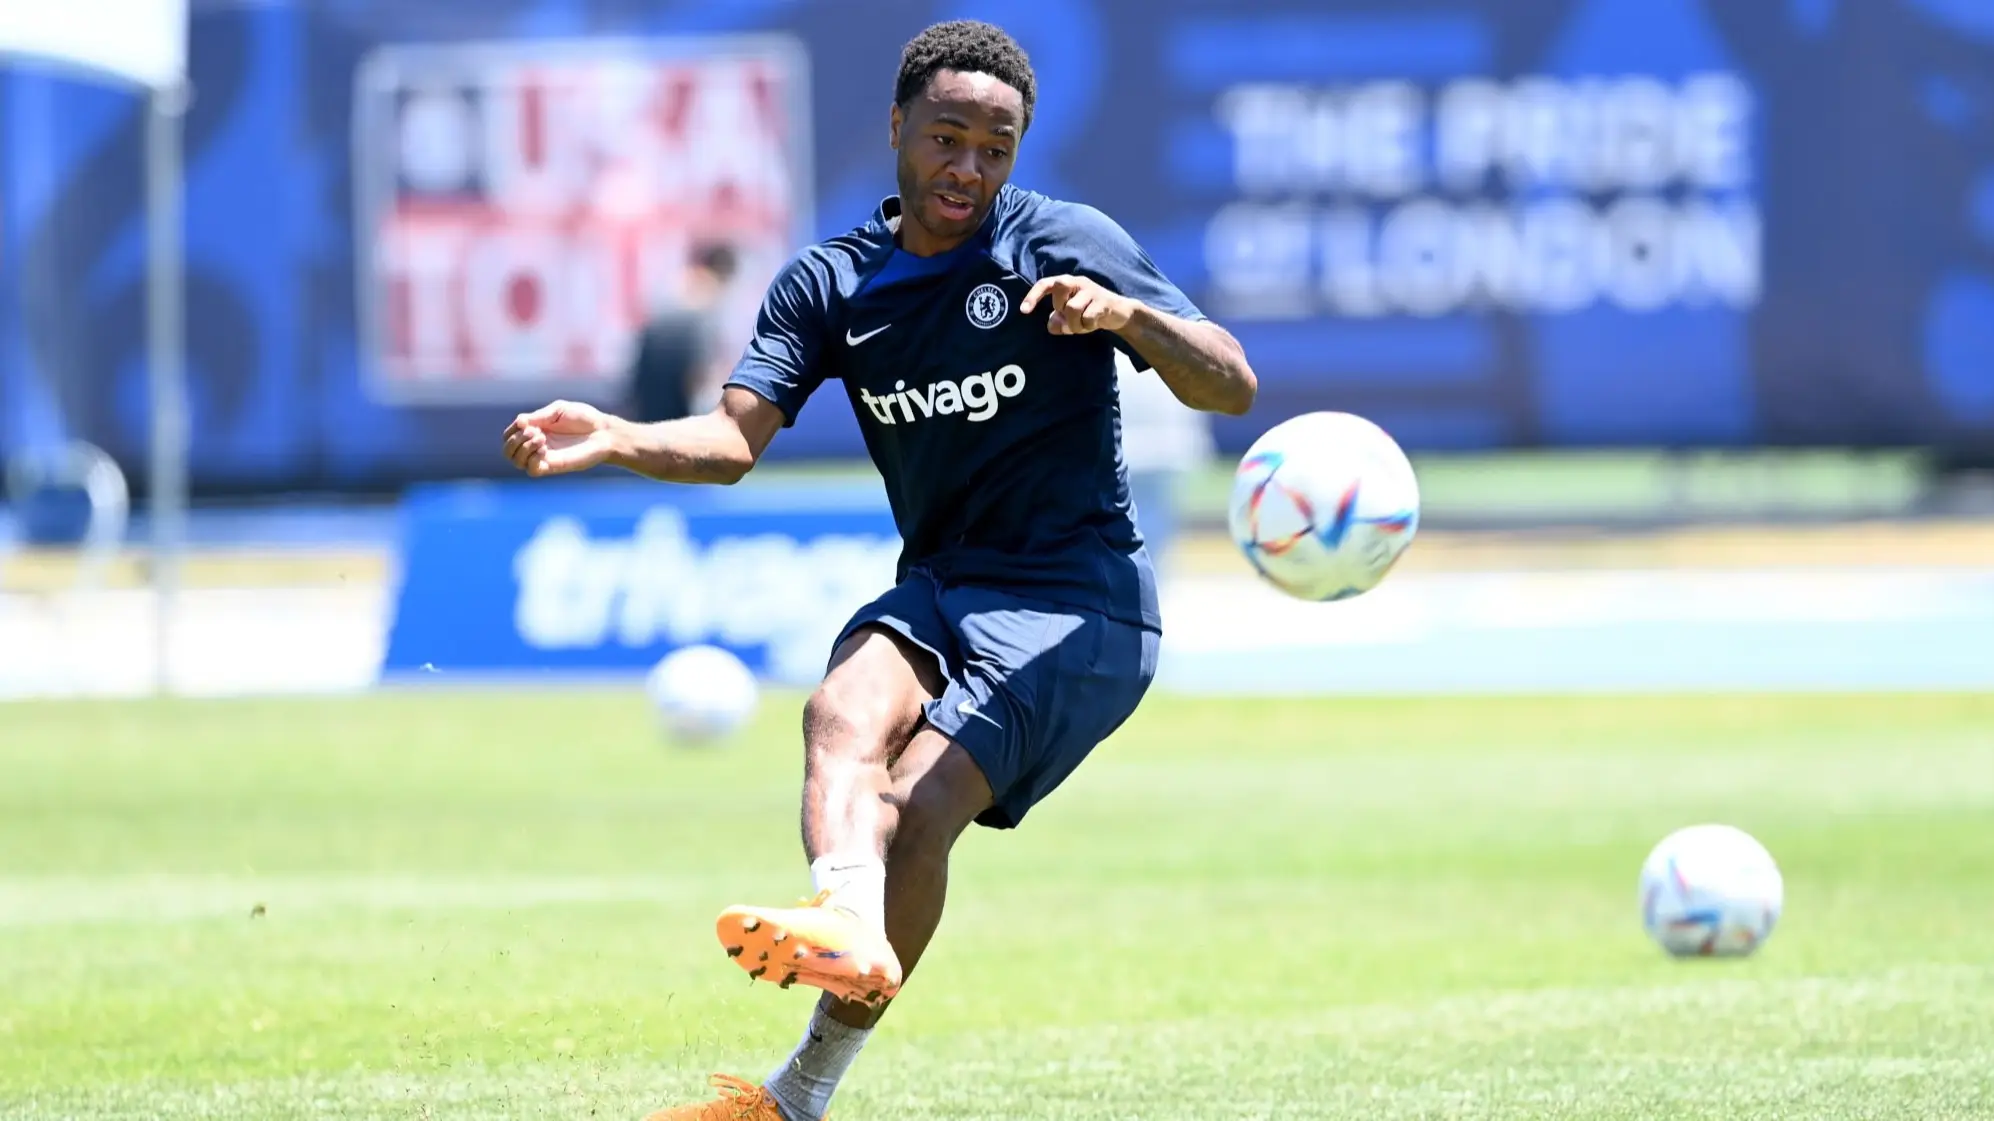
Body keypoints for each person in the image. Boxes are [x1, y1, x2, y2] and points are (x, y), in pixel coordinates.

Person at [500, 21, 1257, 1121]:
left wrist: (1128, 314)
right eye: (946, 138)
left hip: (1081, 602)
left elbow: (1229, 383)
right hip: (949, 580)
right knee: (838, 707)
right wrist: (613, 435)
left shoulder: (1062, 241)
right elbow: (730, 443)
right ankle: (843, 932)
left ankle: (800, 1088)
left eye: (994, 149)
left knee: (912, 803)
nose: (967, 169)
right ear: (896, 126)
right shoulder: (832, 283)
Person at [628, 242, 741, 423]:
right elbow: (697, 367)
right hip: (676, 389)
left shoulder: (676, 285)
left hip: (649, 386)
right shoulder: (708, 298)